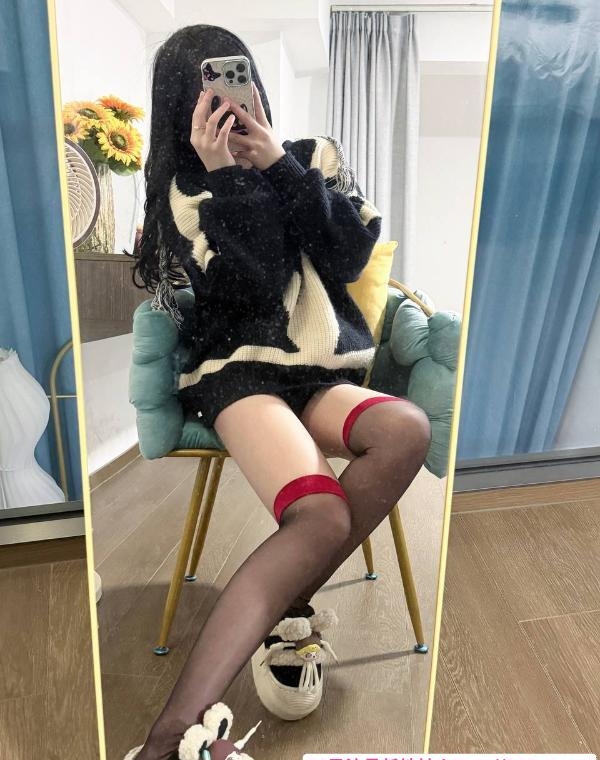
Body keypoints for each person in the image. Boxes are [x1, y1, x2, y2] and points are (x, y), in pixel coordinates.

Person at [126, 23, 431, 760]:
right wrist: (230, 179)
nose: (226, 104)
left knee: (407, 429)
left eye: (233, 82)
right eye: (206, 92)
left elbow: (351, 253)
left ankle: (285, 601)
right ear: (184, 105)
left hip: (320, 371)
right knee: (321, 516)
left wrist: (279, 167)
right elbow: (249, 291)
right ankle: (166, 739)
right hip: (236, 373)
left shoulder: (313, 157)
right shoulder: (184, 193)